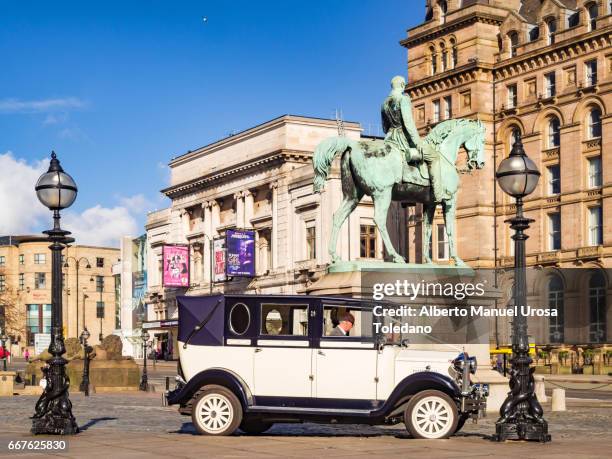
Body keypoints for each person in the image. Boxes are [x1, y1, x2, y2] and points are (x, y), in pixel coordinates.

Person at [381, 75, 444, 202]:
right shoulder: (403, 99)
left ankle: (408, 198)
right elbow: (408, 123)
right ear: (403, 85)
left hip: (389, 138)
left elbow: (384, 127)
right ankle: (438, 194)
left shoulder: (384, 103)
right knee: (434, 157)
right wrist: (418, 142)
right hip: (403, 138)